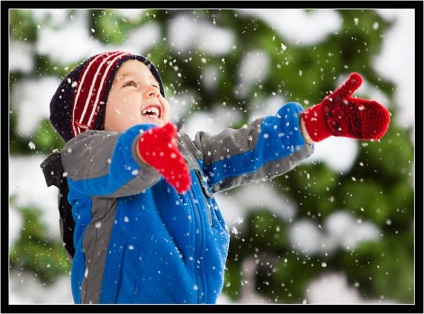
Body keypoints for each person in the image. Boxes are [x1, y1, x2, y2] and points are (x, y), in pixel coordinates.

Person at [40, 51, 390, 304]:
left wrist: (309, 126)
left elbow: (243, 149)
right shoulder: (84, 154)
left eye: (156, 87)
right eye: (130, 84)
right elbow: (118, 160)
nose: (151, 92)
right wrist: (145, 150)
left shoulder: (185, 152)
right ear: (93, 113)